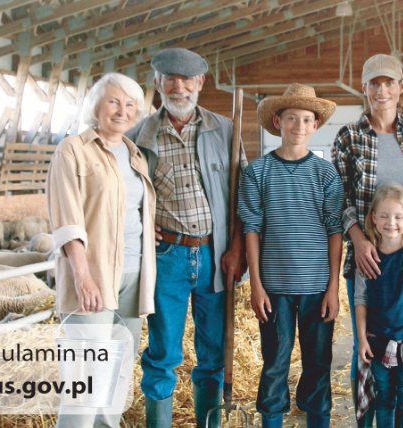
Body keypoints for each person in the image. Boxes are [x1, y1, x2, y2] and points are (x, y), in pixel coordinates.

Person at [125, 48, 247, 428]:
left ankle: (207, 422)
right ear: (157, 83)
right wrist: (144, 222)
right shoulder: (136, 137)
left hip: (215, 253)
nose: (179, 87)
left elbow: (244, 194)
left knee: (213, 354)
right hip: (166, 257)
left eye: (187, 79)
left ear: (200, 83)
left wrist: (237, 249)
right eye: (170, 79)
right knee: (162, 353)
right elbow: (122, 196)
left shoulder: (226, 129)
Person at [46, 72, 156, 427]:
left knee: (119, 367)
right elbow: (67, 217)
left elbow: (132, 208)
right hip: (93, 276)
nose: (121, 111)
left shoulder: (134, 153)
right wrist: (83, 276)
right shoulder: (72, 150)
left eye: (129, 105)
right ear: (96, 105)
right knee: (85, 374)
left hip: (134, 273)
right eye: (113, 101)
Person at [238, 83, 343, 428]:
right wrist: (256, 285)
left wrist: (333, 288)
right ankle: (271, 419)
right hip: (274, 286)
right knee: (275, 360)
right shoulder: (258, 172)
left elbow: (334, 231)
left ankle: (318, 419)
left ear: (315, 126)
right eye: (292, 118)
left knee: (318, 360)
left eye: (307, 120)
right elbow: (250, 228)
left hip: (316, 285)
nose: (299, 126)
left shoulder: (326, 173)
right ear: (278, 121)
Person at [333, 53, 403, 426]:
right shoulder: (350, 136)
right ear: (364, 88)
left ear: (401, 87)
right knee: (368, 356)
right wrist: (356, 237)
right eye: (374, 83)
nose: (382, 90)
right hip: (368, 259)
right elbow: (337, 196)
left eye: (389, 82)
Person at [354, 184, 403, 428]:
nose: (392, 222)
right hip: (378, 342)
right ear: (374, 219)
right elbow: (361, 300)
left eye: (399, 217)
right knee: (384, 400)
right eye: (385, 216)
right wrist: (362, 340)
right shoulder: (367, 259)